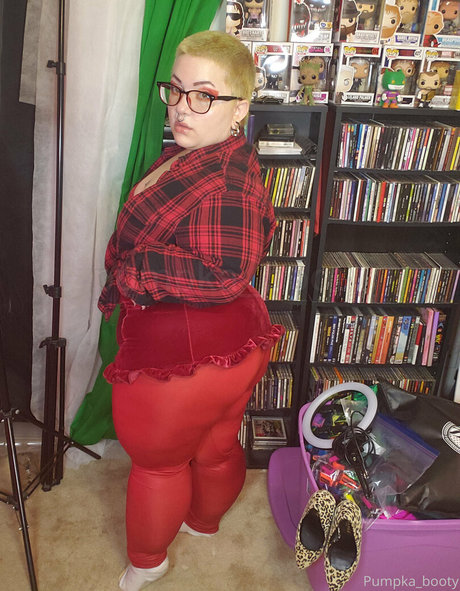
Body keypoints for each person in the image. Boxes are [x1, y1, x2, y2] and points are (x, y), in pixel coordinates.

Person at [97, 30, 283, 591]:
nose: (182, 107)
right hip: (238, 344)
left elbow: (226, 273)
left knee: (159, 466)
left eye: (204, 95)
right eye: (176, 90)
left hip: (183, 362)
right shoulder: (210, 150)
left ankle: (147, 563)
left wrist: (135, 268)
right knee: (217, 445)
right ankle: (203, 522)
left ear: (239, 108)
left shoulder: (225, 180)